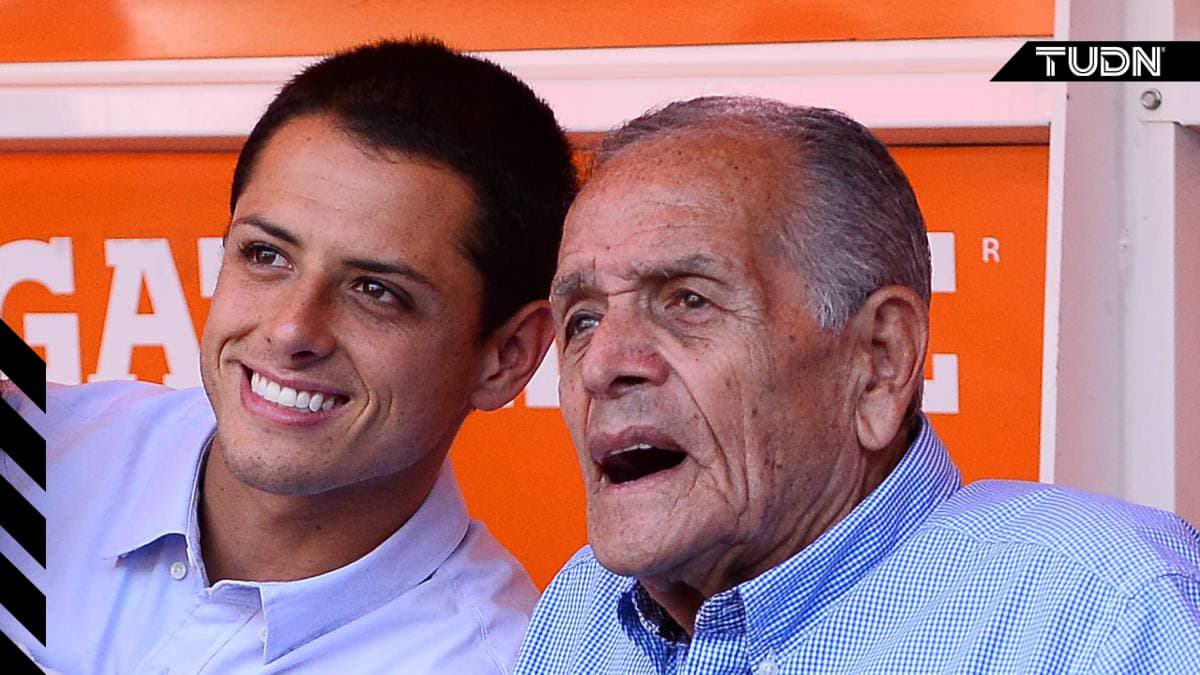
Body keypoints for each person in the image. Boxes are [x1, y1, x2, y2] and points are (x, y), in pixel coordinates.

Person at [516, 96, 1200, 673]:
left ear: (879, 360)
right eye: (583, 319)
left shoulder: (1105, 616)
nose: (604, 362)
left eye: (689, 300)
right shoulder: (582, 614)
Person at [0, 39, 577, 672]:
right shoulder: (32, 447)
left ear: (509, 357)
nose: (291, 328)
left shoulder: (486, 661)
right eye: (266, 255)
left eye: (376, 292)